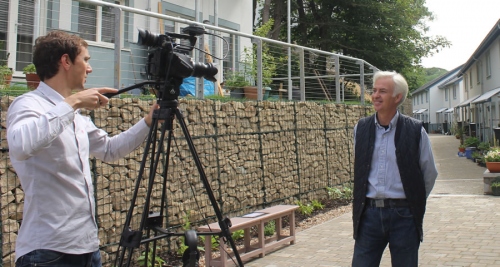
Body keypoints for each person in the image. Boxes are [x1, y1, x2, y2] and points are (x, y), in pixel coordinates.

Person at [7, 30, 158, 267]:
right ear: (65, 61)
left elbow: (109, 149)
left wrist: (149, 121)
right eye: (85, 60)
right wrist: (74, 101)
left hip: (87, 248)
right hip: (47, 252)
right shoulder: (29, 104)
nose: (89, 69)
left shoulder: (74, 115)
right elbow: (20, 145)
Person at [351, 71, 438, 266]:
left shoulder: (415, 130)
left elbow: (429, 173)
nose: (375, 95)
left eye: (382, 91)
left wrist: (412, 201)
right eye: (374, 90)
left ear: (397, 97)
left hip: (404, 216)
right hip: (369, 215)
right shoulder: (361, 128)